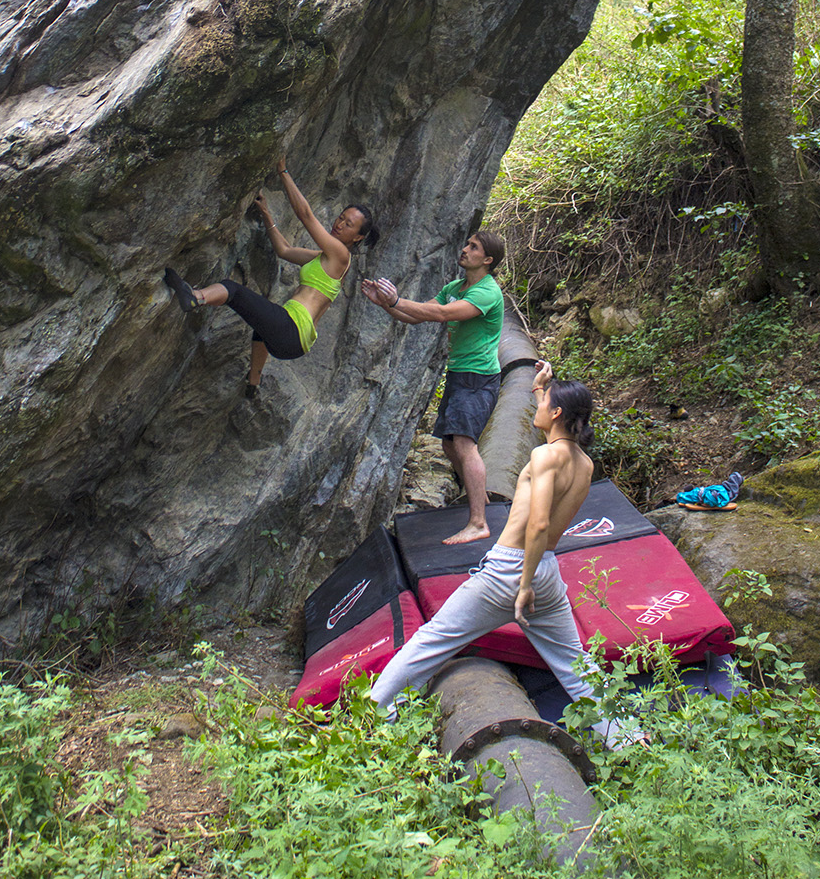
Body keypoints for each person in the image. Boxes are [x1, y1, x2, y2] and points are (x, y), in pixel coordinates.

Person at [369, 370, 637, 747]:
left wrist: (524, 585)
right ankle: (628, 737)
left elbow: (538, 523)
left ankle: (374, 711)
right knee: (576, 664)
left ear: (557, 413)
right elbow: (556, 428)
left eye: (543, 402)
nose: (537, 405)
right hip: (548, 572)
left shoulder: (544, 456)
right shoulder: (583, 463)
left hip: (513, 570)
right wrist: (541, 386)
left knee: (435, 638)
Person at [165, 158, 378, 397]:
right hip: (293, 343)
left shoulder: (341, 255)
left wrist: (283, 171)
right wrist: (266, 214)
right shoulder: (323, 258)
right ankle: (253, 383)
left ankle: (196, 297)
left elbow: (305, 215)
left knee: (231, 289)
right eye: (341, 217)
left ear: (358, 237)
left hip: (291, 329)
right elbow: (284, 250)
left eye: (348, 224)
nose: (339, 224)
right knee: (262, 327)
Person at [362, 230, 507, 546]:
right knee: (449, 446)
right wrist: (386, 304)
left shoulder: (487, 292)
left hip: (479, 378)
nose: (465, 249)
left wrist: (396, 299)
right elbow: (417, 316)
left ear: (488, 260)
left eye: (473, 247)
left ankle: (479, 523)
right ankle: (479, 501)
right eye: (467, 244)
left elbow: (441, 314)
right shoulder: (455, 288)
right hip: (459, 375)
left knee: (465, 445)